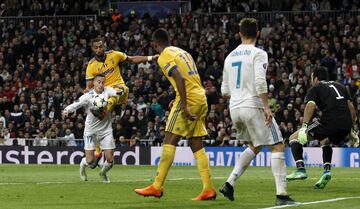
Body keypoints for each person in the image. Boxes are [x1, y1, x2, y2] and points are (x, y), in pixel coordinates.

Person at [219, 18, 294, 206]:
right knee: (277, 145)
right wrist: (266, 107)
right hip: (253, 105)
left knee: (255, 145)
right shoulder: (258, 53)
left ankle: (229, 183)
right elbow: (261, 82)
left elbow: (224, 91)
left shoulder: (229, 57)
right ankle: (282, 195)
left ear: (239, 34)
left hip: (235, 108)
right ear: (258, 33)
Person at [134, 28, 216, 200]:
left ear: (155, 43)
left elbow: (179, 78)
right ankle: (208, 189)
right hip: (200, 97)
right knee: (196, 143)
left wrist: (184, 104)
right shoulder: (182, 52)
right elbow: (189, 77)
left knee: (169, 139)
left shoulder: (164, 56)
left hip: (190, 99)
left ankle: (156, 186)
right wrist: (178, 98)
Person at [85, 38, 158, 168]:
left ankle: (102, 110)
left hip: (120, 90)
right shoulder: (91, 66)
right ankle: (97, 152)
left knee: (119, 90)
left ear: (104, 46)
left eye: (101, 46)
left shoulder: (114, 55)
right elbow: (89, 86)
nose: (99, 49)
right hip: (104, 95)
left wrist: (151, 57)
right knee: (97, 121)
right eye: (96, 48)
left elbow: (132, 59)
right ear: (92, 49)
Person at [286, 66, 357, 189]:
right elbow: (350, 107)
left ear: (316, 78)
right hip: (345, 124)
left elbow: (310, 106)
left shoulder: (316, 88)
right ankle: (327, 171)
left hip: (330, 122)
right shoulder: (340, 86)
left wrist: (304, 127)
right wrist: (351, 128)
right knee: (325, 141)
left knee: (293, 138)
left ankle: (300, 169)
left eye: (311, 77)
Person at [63, 74, 123, 183]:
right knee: (90, 161)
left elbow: (117, 93)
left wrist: (121, 90)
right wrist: (67, 110)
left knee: (110, 159)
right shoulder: (88, 95)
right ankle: (82, 164)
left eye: (103, 82)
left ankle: (103, 173)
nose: (101, 84)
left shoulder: (108, 90)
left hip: (106, 131)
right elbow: (77, 104)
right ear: (94, 83)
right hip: (91, 131)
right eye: (98, 82)